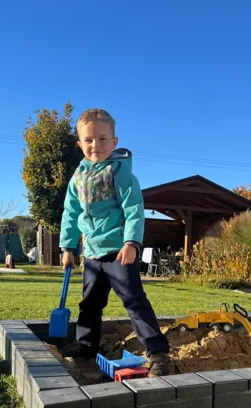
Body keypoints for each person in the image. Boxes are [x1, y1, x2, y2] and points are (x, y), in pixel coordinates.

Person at [59, 108, 170, 377]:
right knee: (90, 304)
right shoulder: (78, 177)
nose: (95, 145)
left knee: (134, 301)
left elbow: (134, 209)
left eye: (102, 139)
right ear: (80, 144)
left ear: (114, 142)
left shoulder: (118, 172)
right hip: (92, 254)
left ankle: (157, 353)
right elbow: (70, 213)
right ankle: (85, 347)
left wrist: (131, 243)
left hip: (120, 252)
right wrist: (68, 247)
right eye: (88, 140)